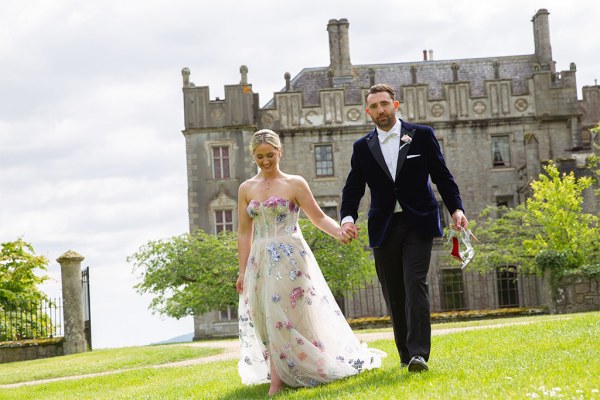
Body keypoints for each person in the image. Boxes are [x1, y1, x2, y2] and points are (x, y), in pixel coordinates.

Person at [236, 129, 385, 397]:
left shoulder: (295, 183)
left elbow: (317, 218)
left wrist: (340, 231)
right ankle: (282, 369)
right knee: (264, 315)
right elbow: (244, 232)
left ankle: (279, 381)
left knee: (288, 312)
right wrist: (242, 270)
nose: (266, 161)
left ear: (280, 152)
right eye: (260, 157)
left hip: (291, 257)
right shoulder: (246, 188)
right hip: (260, 258)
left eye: (270, 155)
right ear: (253, 156)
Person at [340, 84, 468, 373]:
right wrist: (347, 218)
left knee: (414, 283)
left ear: (395, 105)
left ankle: (419, 353)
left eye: (385, 104)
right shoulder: (362, 147)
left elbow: (442, 176)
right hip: (384, 226)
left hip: (418, 221)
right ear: (367, 111)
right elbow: (353, 188)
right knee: (393, 292)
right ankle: (405, 353)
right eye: (374, 107)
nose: (380, 110)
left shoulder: (421, 135)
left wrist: (456, 208)